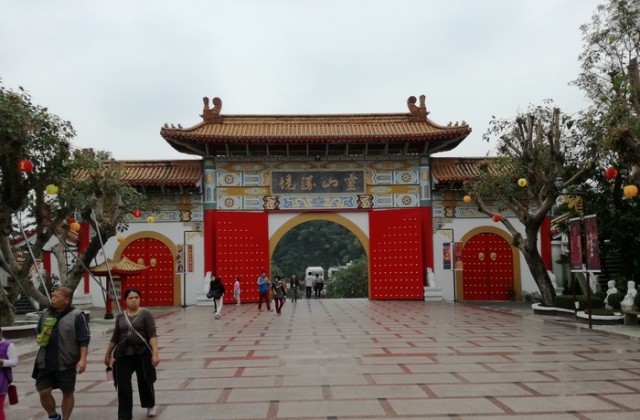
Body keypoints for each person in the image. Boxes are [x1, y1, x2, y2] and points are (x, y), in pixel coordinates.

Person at [32, 286, 90, 420]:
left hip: (67, 361)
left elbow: (84, 339)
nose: (52, 299)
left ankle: (65, 418)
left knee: (67, 392)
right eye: (52, 296)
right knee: (43, 391)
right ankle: (53, 416)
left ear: (66, 300)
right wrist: (38, 337)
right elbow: (37, 330)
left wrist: (83, 359)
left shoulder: (77, 315)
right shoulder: (46, 313)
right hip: (45, 360)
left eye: (56, 297)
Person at [104, 288, 160, 420]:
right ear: (125, 300)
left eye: (136, 297)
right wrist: (108, 354)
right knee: (122, 384)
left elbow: (152, 334)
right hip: (123, 354)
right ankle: (124, 415)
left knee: (145, 381)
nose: (134, 300)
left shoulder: (146, 314)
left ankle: (149, 404)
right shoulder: (120, 316)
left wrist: (155, 353)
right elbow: (115, 336)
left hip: (142, 353)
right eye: (131, 298)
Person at [0, 327, 18, 420]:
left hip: (2, 380)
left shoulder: (8, 345)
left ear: (1, 332)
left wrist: (2, 362)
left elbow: (14, 362)